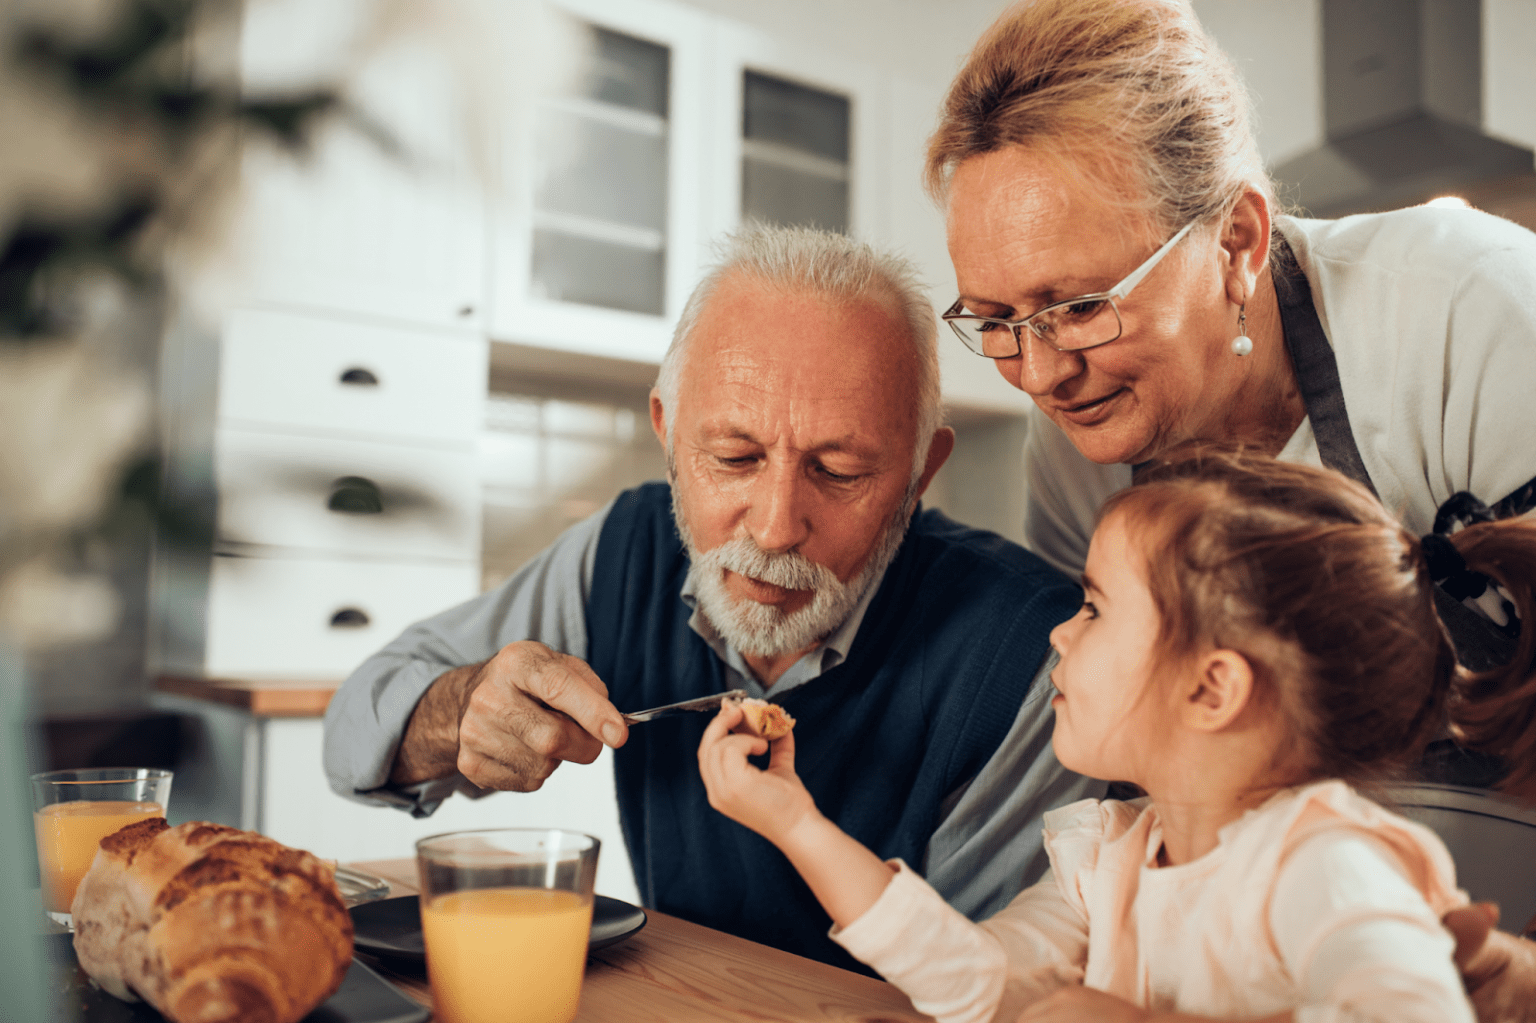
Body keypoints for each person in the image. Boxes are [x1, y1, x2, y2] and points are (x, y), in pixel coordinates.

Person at [322, 225, 1098, 973]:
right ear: (667, 430)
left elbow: (985, 991)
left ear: (921, 472)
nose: (773, 527)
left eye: (838, 471)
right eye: (734, 456)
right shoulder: (622, 552)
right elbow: (352, 732)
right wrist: (456, 710)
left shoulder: (1032, 657)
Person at [698, 446, 1536, 1023]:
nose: (1060, 634)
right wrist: (794, 821)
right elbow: (984, 984)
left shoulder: (1324, 860)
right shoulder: (1112, 856)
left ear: (1211, 687)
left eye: (1094, 607)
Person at [927, 0, 1536, 678]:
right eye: (994, 320)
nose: (1040, 375)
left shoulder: (1465, 310)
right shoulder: (1077, 462)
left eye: (1079, 307)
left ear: (1235, 241)